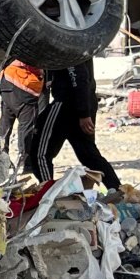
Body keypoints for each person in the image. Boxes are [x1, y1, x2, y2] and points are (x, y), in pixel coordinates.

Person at [26, 59, 122, 192]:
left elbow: (78, 77)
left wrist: (83, 113)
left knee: (40, 153)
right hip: (83, 103)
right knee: (88, 154)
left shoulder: (69, 49)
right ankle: (118, 190)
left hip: (66, 104)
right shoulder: (82, 46)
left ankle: (48, 193)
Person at [0, 60, 45, 166]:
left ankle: (1, 158)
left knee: (5, 125)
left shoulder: (16, 45)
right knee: (26, 127)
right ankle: (25, 162)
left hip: (7, 81)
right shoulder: (34, 47)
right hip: (24, 85)